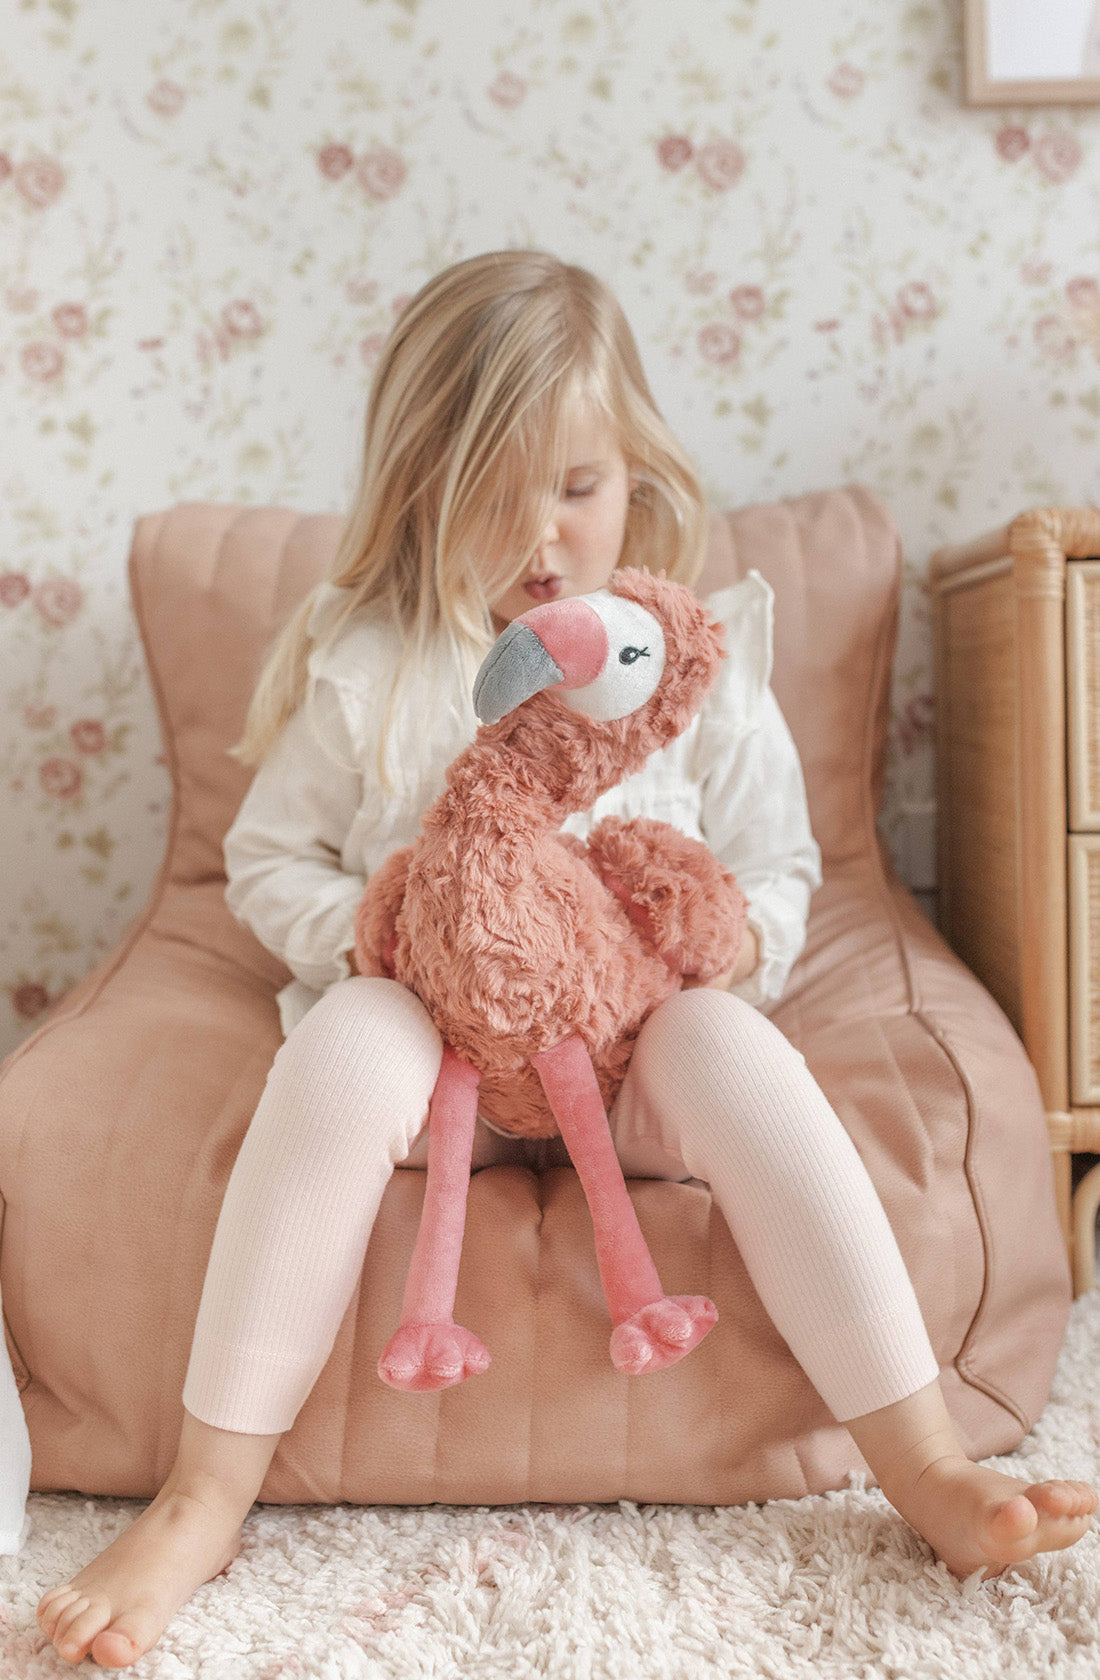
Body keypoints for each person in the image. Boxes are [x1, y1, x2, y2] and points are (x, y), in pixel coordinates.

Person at [36, 250, 1096, 1669]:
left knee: (725, 1044)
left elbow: (786, 872)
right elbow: (265, 861)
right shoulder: (370, 658)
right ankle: (204, 1489)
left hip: (631, 1055)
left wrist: (702, 944)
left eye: (576, 487)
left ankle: (923, 1463)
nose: (541, 533)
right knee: (350, 1036)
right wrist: (389, 937)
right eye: (493, 489)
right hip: (438, 1054)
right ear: (422, 488)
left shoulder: (685, 661)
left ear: (634, 481)